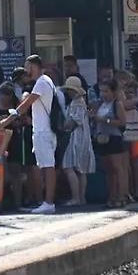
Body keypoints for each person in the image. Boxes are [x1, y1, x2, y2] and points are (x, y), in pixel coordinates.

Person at [16, 54, 58, 214]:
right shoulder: (45, 81)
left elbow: (25, 105)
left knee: (48, 167)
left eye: (28, 67)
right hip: (42, 130)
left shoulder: (41, 82)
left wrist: (7, 119)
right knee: (45, 166)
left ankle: (49, 202)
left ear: (35, 66)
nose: (26, 70)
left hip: (43, 131)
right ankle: (45, 201)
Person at [90, 79, 129, 206]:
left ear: (113, 92)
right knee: (108, 170)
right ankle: (112, 196)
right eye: (102, 91)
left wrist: (104, 120)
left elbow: (122, 122)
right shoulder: (100, 104)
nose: (103, 94)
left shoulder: (117, 104)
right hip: (102, 138)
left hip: (114, 138)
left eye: (106, 91)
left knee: (117, 168)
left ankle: (121, 196)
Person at [60, 76, 95, 205]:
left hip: (76, 138)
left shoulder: (77, 103)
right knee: (81, 170)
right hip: (83, 138)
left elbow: (73, 122)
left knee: (68, 166)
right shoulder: (81, 102)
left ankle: (76, 197)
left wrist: (63, 126)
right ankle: (81, 197)